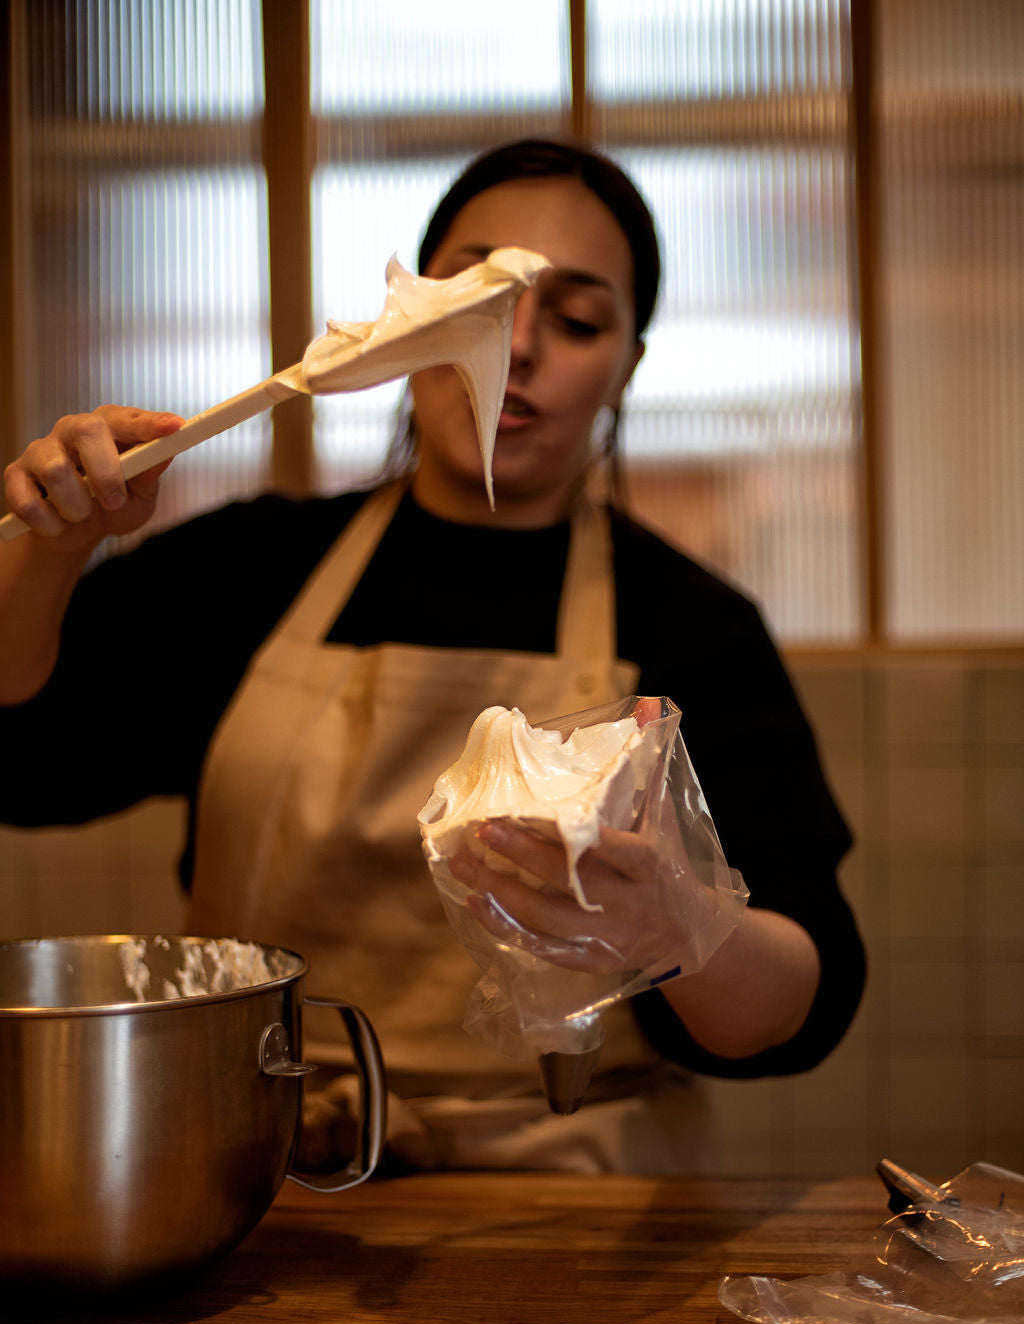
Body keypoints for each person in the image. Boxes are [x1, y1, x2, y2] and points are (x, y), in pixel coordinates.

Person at [0, 137, 865, 1174]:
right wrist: (50, 554)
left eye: (580, 318)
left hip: (571, 1205)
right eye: (477, 292)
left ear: (626, 367)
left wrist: (678, 925)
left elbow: (798, 1007)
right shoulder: (252, 569)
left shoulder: (689, 624)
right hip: (269, 1182)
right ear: (408, 326)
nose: (523, 341)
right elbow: (27, 762)